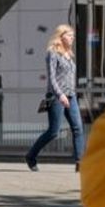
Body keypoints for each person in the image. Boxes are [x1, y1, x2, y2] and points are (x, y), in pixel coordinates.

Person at [25, 24, 83, 170]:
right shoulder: (52, 53)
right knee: (53, 132)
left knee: (78, 129)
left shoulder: (69, 54)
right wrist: (60, 95)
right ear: (61, 36)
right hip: (57, 96)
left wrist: (71, 93)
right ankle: (31, 156)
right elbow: (52, 79)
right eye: (70, 35)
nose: (72, 38)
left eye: (73, 36)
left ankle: (80, 163)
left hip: (71, 95)